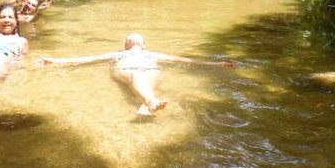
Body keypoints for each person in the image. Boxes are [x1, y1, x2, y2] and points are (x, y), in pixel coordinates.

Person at [39, 33, 234, 117]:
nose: (133, 38)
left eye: (136, 38)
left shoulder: (152, 54)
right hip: (127, 70)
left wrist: (217, 63)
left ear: (144, 44)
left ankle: (146, 104)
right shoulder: (118, 54)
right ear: (125, 44)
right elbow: (87, 59)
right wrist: (56, 61)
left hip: (152, 71)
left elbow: (183, 61)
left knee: (146, 77)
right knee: (136, 76)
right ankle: (150, 101)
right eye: (129, 38)